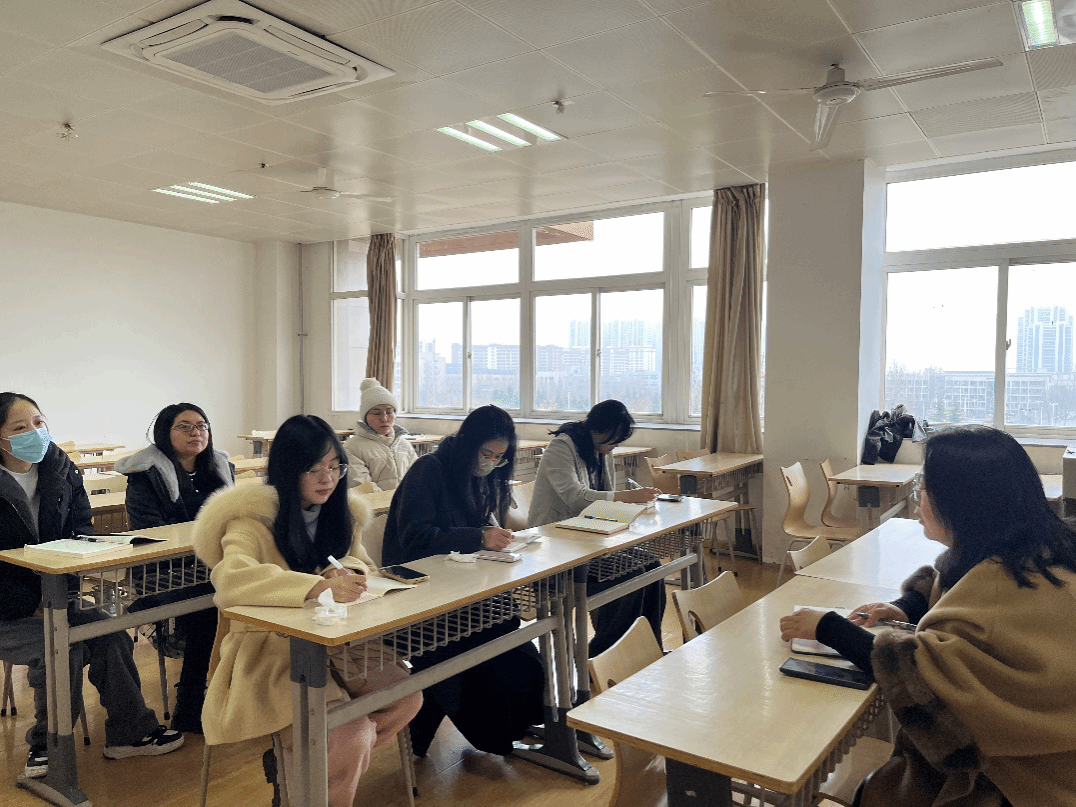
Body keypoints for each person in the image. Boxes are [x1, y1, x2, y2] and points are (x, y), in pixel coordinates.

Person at [779, 426, 1076, 807]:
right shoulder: (1030, 552)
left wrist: (828, 627)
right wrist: (907, 606)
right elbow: (957, 591)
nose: (918, 497)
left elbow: (927, 688)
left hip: (1017, 784)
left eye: (925, 487)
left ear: (963, 504)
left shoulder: (1004, 587)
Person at [193, 414, 420, 807]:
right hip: (270, 650)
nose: (327, 479)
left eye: (335, 466)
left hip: (334, 641)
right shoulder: (250, 520)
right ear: (288, 469)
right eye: (314, 468)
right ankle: (315, 767)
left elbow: (360, 562)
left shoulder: (341, 514)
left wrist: (346, 571)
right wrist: (315, 586)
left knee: (406, 696)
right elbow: (230, 580)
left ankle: (303, 765)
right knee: (348, 736)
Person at [0, 393, 183, 780]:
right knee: (61, 647)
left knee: (111, 632)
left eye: (38, 422)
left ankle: (130, 732)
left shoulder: (60, 470)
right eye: (20, 427)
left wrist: (76, 572)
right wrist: (28, 602)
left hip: (58, 597)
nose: (34, 432)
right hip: (8, 612)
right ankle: (46, 745)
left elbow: (80, 529)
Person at [382, 404, 545, 757]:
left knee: (508, 623)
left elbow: (477, 525)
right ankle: (493, 731)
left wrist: (491, 535)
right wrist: (478, 537)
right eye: (486, 454)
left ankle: (523, 721)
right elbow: (415, 538)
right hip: (420, 593)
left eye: (499, 458)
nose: (490, 463)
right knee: (476, 641)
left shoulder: (477, 477)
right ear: (469, 444)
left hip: (460, 585)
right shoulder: (429, 470)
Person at [115, 402, 234, 734]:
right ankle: (190, 704)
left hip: (212, 566)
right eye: (185, 426)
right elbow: (152, 533)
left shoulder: (220, 468)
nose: (196, 433)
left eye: (202, 426)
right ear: (164, 433)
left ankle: (236, 689)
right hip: (162, 573)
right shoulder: (145, 474)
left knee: (245, 592)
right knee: (210, 604)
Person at [528, 399, 664, 656]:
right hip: (555, 545)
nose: (614, 447)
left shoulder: (601, 452)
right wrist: (628, 497)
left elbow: (606, 498)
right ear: (598, 430)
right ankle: (607, 654)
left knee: (652, 566)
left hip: (586, 537)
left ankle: (649, 648)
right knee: (629, 574)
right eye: (613, 440)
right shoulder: (561, 447)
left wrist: (632, 507)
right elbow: (576, 497)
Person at [344, 378, 417, 491]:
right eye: (376, 413)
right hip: (375, 503)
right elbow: (363, 488)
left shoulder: (405, 445)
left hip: (405, 502)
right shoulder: (352, 448)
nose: (384, 418)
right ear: (365, 417)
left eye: (389, 412)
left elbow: (417, 479)